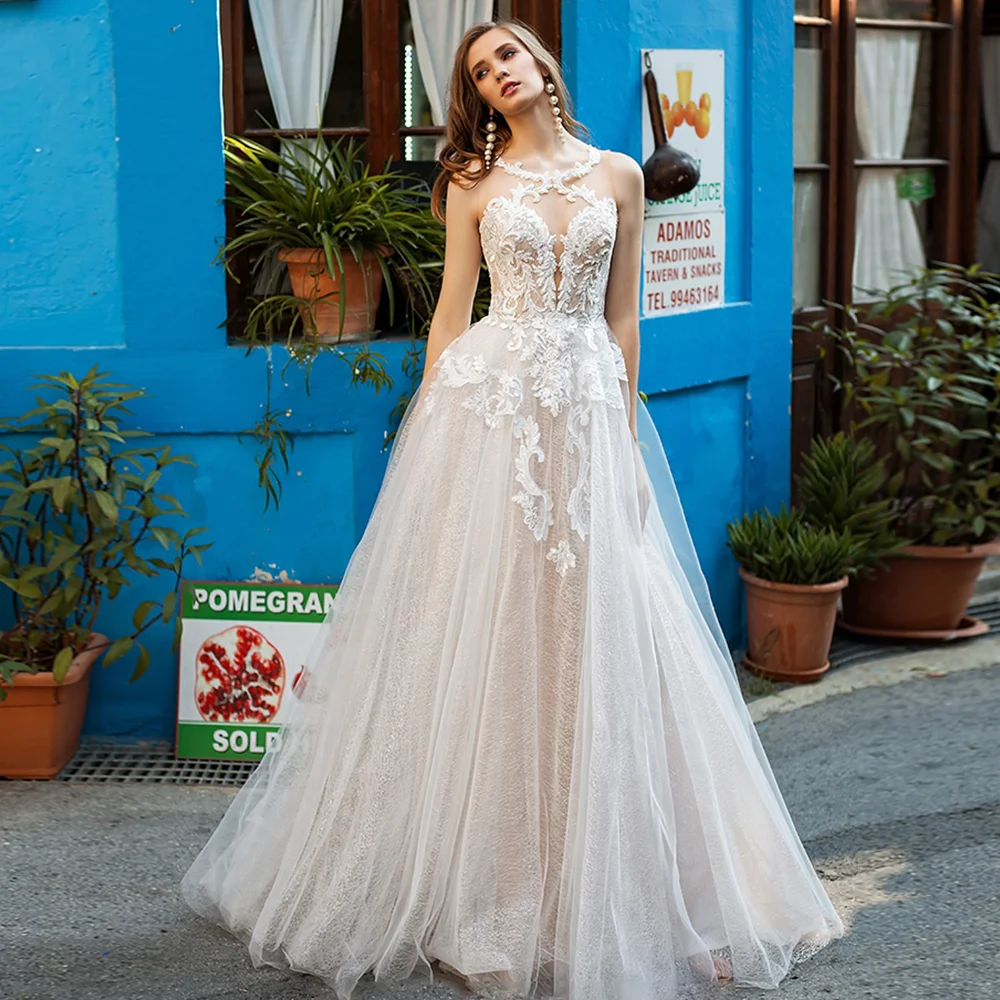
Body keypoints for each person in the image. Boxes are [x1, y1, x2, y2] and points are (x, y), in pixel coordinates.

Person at [181, 19, 843, 1000]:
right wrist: (425, 430)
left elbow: (624, 317)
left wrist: (619, 433)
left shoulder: (619, 174)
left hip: (583, 408)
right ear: (478, 91)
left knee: (611, 635)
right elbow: (453, 310)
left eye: (508, 56)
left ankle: (660, 893)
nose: (497, 73)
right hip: (490, 414)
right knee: (485, 634)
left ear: (542, 65)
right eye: (480, 68)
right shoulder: (468, 183)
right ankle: (486, 891)